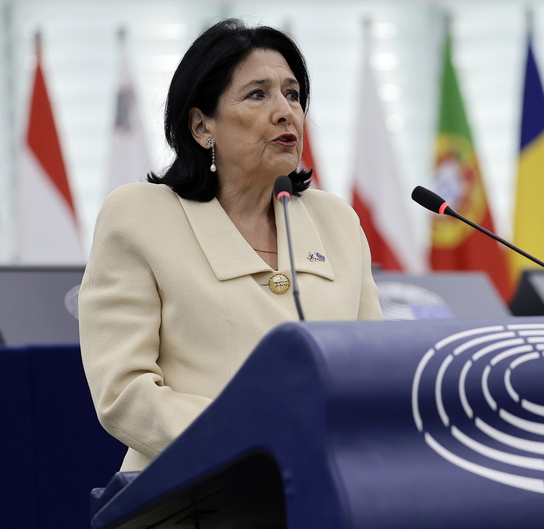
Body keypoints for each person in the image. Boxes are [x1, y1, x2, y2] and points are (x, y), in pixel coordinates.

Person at [80, 18, 384, 472]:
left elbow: (374, 371)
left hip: (326, 487)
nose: (285, 111)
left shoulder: (335, 220)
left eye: (293, 94)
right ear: (202, 125)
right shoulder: (140, 215)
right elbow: (124, 393)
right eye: (258, 94)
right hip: (193, 493)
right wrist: (258, 442)